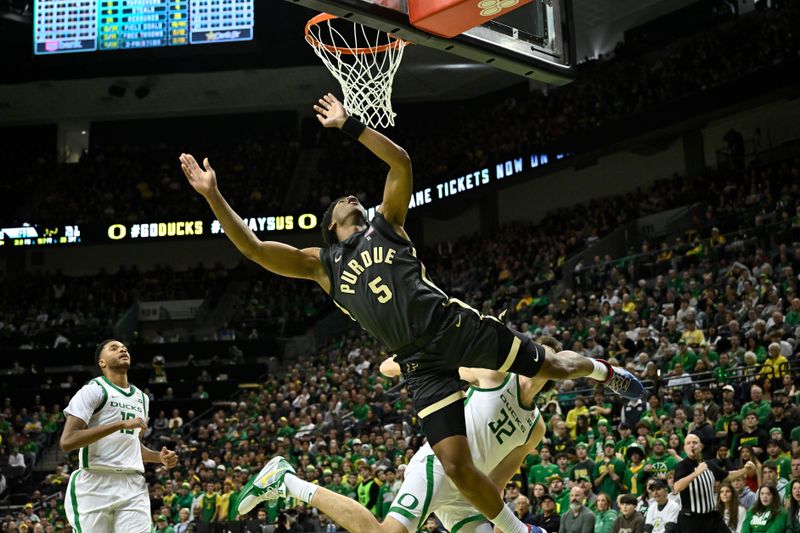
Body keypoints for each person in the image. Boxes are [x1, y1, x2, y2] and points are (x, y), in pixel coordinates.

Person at [183, 93, 643, 533]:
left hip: (453, 328)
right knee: (457, 466)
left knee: (555, 366)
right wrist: (213, 196)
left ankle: (608, 372)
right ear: (330, 225)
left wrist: (349, 124)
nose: (352, 196)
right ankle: (519, 530)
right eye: (343, 199)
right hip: (418, 363)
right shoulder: (321, 264)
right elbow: (256, 249)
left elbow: (400, 161)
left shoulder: (387, 222)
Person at [237, 338, 561, 533]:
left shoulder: (536, 427)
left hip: (469, 494)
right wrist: (400, 365)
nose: (538, 359)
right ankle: (286, 481)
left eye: (547, 358)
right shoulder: (495, 375)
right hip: (438, 465)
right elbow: (440, 364)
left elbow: (498, 481)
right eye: (537, 352)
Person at [60, 339, 179, 532]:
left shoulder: (142, 398)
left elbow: (133, 446)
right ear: (102, 362)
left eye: (124, 347)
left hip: (132, 483)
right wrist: (119, 424)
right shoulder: (93, 390)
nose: (122, 349)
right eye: (113, 348)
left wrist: (159, 457)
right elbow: (67, 441)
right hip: (95, 482)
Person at [673, 433, 755, 531]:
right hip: (691, 519)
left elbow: (727, 475)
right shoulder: (682, 466)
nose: (692, 445)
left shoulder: (708, 464)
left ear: (701, 446)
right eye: (688, 443)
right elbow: (677, 487)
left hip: (712, 517)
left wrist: (745, 470)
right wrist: (696, 473)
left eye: (694, 442)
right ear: (685, 448)